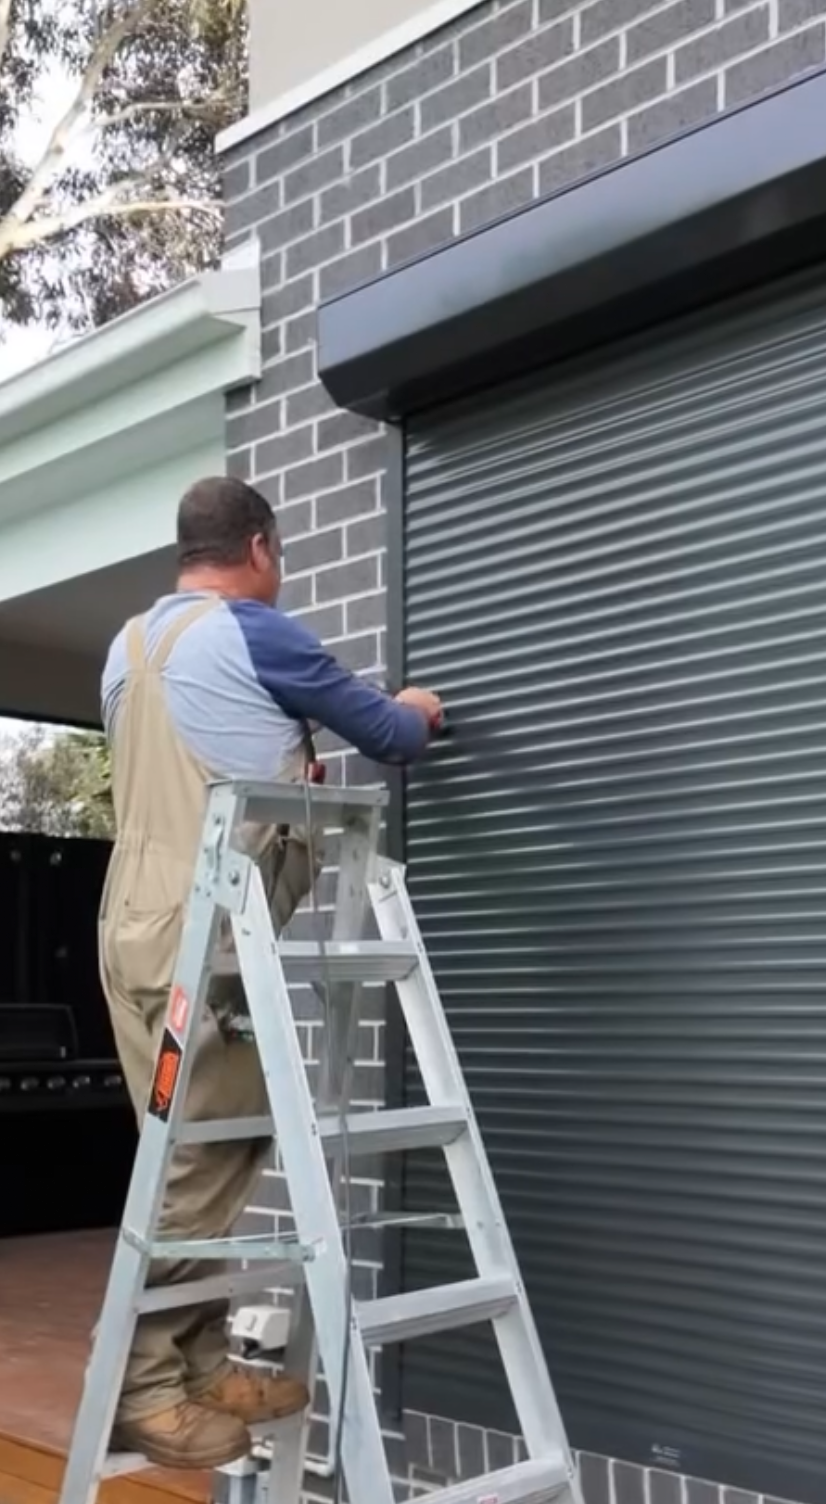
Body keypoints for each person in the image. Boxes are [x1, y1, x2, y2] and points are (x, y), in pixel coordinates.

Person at [97, 476, 442, 1470]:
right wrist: (415, 709)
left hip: (132, 920)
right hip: (199, 937)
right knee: (202, 1156)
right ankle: (148, 1383)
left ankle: (199, 1365)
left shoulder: (131, 648)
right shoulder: (252, 628)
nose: (279, 576)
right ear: (257, 547)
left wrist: (283, 768)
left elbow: (195, 755)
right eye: (279, 558)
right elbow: (386, 732)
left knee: (184, 1144)